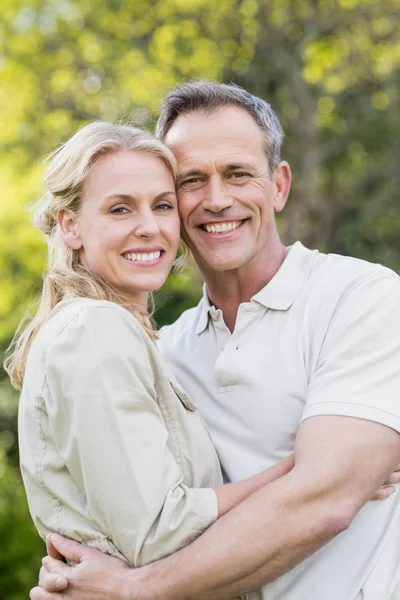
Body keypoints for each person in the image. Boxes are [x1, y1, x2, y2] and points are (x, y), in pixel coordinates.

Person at [31, 81, 400, 600]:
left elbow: (328, 501)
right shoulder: (165, 352)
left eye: (238, 174)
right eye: (191, 181)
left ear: (278, 185)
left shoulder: (360, 298)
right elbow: (135, 517)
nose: (217, 199)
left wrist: (136, 590)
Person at [5, 121, 298, 592]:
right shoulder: (94, 330)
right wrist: (307, 476)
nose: (149, 227)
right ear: (71, 224)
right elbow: (159, 531)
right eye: (120, 209)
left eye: (162, 206)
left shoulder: (132, 338)